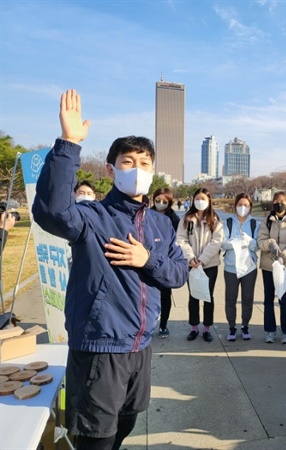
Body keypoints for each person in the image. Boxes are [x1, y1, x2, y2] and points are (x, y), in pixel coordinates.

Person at [32, 89, 188, 450]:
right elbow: (52, 212)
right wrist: (69, 143)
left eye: (145, 163)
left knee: (127, 422)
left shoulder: (161, 224)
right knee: (95, 440)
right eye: (128, 162)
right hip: (100, 348)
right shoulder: (92, 217)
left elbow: (177, 275)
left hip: (141, 347)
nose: (138, 170)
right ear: (111, 168)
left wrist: (146, 260)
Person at [177, 187, 224, 343]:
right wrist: (191, 258)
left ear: (209, 200)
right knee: (194, 295)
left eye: (203, 199)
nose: (200, 201)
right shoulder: (186, 218)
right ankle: (194, 327)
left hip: (209, 264)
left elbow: (216, 241)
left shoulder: (215, 219)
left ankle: (207, 328)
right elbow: (181, 240)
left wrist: (202, 259)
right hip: (192, 264)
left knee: (208, 296)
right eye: (197, 198)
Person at [257, 191, 286, 344]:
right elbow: (260, 241)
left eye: (282, 201)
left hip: (285, 267)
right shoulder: (266, 221)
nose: (278, 203)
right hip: (268, 266)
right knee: (268, 299)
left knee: (284, 299)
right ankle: (270, 330)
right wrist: (270, 243)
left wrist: (284, 257)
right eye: (276, 200)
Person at [221, 193, 259, 341]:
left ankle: (245, 326)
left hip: (249, 267)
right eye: (240, 205)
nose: (243, 208)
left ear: (250, 207)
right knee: (230, 298)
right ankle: (231, 327)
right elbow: (222, 244)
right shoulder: (228, 222)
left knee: (247, 298)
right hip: (231, 267)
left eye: (246, 205)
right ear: (235, 205)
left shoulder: (255, 223)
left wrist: (248, 241)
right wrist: (234, 243)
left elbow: (257, 246)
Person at [151, 187, 180, 338]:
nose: (160, 203)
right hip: (147, 259)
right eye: (158, 200)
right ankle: (149, 324)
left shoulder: (174, 219)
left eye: (164, 201)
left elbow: (177, 241)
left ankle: (163, 325)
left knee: (165, 295)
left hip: (166, 262)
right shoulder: (146, 215)